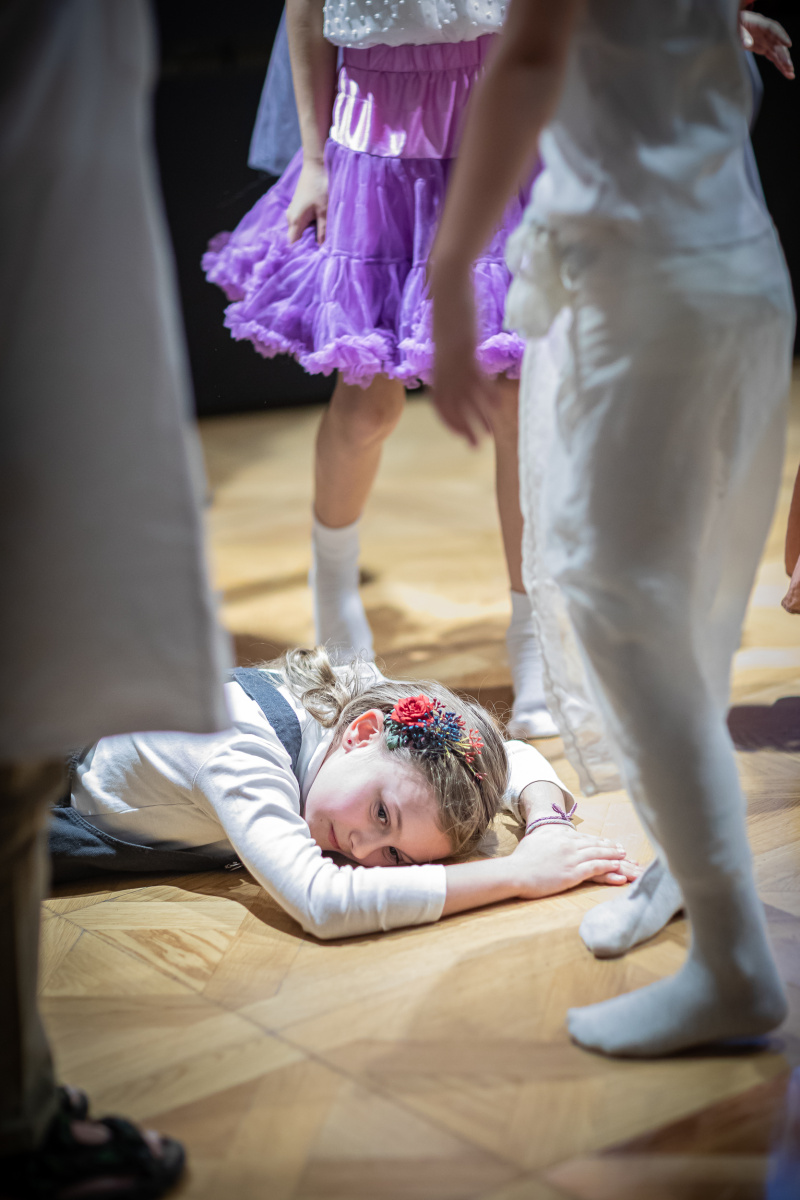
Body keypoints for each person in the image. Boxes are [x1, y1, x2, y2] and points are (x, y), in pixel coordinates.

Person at [429, 0, 795, 1057]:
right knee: (673, 605)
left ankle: (730, 959)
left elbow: (532, 51)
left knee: (623, 606)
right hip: (720, 259)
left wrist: (450, 271)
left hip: (650, 279)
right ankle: (686, 865)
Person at [1, 2, 230, 1196]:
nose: (367, 844)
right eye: (390, 824)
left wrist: (540, 799)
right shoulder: (256, 773)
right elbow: (320, 890)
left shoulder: (315, 739)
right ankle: (17, 1113)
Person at [202, 0, 558, 739]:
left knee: (513, 397)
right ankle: (332, 586)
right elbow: (306, 10)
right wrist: (314, 161)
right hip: (375, 144)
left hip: (493, 119)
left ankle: (533, 639)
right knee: (368, 406)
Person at [50, 650, 640, 937]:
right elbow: (321, 903)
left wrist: (547, 825)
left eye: (395, 855)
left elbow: (509, 756)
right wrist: (518, 874)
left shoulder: (364, 711)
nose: (360, 848)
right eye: (381, 814)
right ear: (360, 734)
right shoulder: (236, 745)